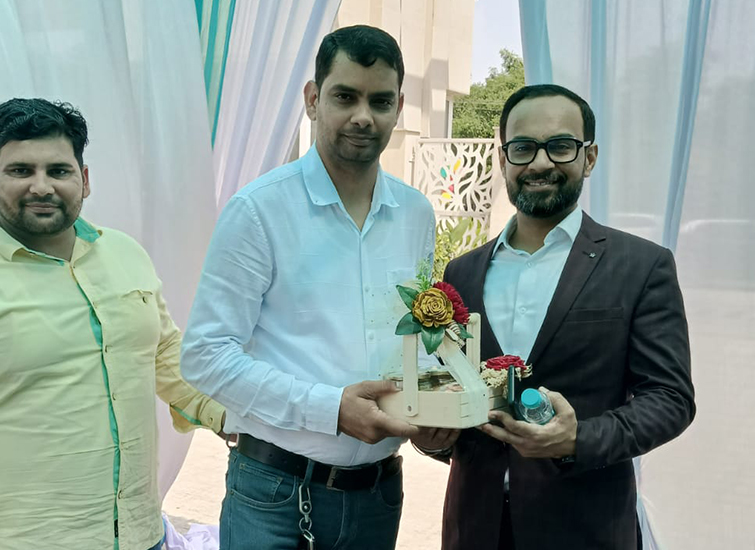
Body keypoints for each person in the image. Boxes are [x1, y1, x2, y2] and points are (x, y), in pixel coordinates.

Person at [0, 98, 225, 550]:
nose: (41, 186)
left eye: (58, 170)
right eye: (21, 171)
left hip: (140, 535)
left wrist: (234, 415)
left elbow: (164, 356)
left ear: (85, 179)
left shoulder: (125, 255)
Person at [181, 25, 441, 550]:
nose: (363, 116)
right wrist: (331, 409)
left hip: (377, 495)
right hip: (274, 492)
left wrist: (436, 408)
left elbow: (414, 337)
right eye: (345, 97)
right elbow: (205, 355)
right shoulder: (259, 210)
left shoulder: (415, 214)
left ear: (398, 107)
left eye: (380, 101)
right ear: (312, 99)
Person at [415, 84, 696, 549]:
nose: (540, 163)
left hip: (584, 529)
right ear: (503, 159)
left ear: (589, 157)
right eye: (523, 147)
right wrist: (433, 437)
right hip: (474, 528)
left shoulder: (641, 266)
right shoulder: (461, 273)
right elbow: (454, 394)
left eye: (561, 146)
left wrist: (578, 439)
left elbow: (670, 399)